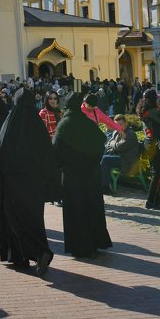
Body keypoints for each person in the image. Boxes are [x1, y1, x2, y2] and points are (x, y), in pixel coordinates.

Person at [0, 87, 58, 276]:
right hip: (35, 184)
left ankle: (39, 252)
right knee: (34, 219)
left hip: (12, 183)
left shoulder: (11, 123)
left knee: (15, 219)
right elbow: (49, 156)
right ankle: (21, 255)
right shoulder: (37, 125)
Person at [52, 91, 112, 256]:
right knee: (91, 207)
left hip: (72, 176)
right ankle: (95, 241)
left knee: (76, 210)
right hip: (91, 174)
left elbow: (56, 150)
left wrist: (61, 166)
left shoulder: (64, 124)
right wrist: (93, 159)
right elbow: (101, 140)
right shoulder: (87, 122)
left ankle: (80, 246)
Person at [137, 89, 160, 210]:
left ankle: (157, 199)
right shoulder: (152, 111)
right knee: (158, 174)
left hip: (149, 143)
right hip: (156, 144)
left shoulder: (143, 110)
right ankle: (150, 201)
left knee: (156, 173)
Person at [101, 114, 140, 194]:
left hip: (126, 161)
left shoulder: (130, 134)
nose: (119, 126)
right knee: (99, 156)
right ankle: (99, 184)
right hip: (117, 156)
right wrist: (113, 144)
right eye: (116, 124)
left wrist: (113, 144)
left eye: (120, 124)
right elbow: (108, 144)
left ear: (126, 123)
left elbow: (120, 147)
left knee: (105, 159)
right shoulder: (116, 131)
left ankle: (105, 187)